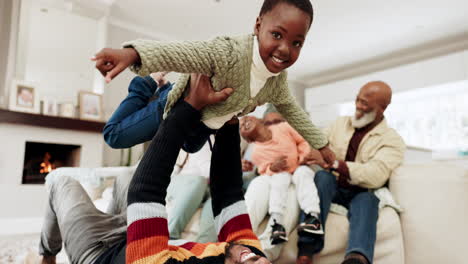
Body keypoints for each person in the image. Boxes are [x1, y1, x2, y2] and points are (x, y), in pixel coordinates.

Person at [38, 71, 271, 264]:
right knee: (127, 176)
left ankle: (47, 256)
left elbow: (146, 189)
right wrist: (230, 121)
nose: (258, 260)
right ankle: (116, 220)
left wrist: (189, 107)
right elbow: (228, 192)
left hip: (97, 254)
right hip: (133, 236)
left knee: (59, 179)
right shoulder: (247, 253)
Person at [92, 0, 335, 165]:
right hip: (174, 107)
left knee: (192, 146)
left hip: (203, 125)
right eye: (277, 35)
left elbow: (294, 112)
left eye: (297, 43)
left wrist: (322, 145)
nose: (284, 49)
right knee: (115, 137)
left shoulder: (277, 81)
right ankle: (147, 84)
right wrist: (132, 54)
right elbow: (183, 53)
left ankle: (162, 85)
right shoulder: (229, 52)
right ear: (258, 25)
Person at [296, 81, 406, 264]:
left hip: (361, 191)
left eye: (365, 104)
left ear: (383, 108)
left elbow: (375, 175)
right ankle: (306, 250)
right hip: (332, 186)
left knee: (369, 200)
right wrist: (312, 154)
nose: (358, 106)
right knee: (322, 177)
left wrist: (334, 163)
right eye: (358, 100)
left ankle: (356, 259)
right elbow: (316, 146)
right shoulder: (339, 124)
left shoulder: (392, 140)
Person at [240, 115, 325, 246]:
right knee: (278, 180)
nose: (244, 122)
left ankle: (313, 217)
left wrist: (302, 157)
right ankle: (277, 224)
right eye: (240, 126)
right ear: (248, 140)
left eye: (246, 118)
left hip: (299, 167)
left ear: (260, 120)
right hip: (280, 174)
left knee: (303, 174)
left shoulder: (284, 128)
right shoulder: (256, 152)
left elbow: (302, 141)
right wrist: (272, 167)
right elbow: (263, 170)